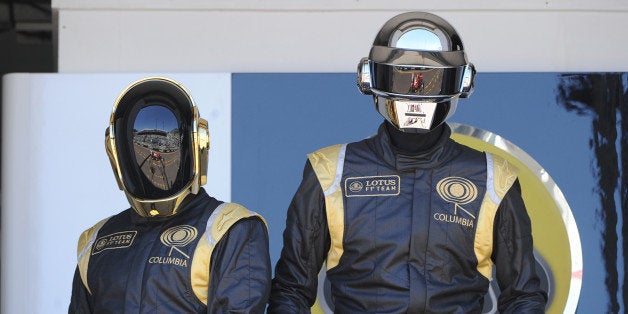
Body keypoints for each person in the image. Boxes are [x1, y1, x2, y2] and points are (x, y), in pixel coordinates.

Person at [268, 12, 547, 313]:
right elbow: (291, 290)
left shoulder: (493, 177)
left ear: (461, 83)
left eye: (429, 81)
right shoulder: (329, 171)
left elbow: (523, 297)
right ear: (371, 78)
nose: (416, 89)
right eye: (404, 77)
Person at [69, 77, 271, 313]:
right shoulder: (96, 239)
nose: (156, 156)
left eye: (169, 147)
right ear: (116, 153)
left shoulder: (228, 228)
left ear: (195, 145)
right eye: (139, 146)